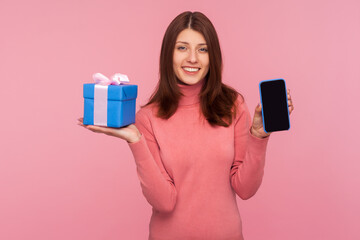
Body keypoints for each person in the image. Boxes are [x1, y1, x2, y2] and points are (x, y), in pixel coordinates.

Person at [78, 11, 294, 240]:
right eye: (182, 48)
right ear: (168, 54)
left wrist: (258, 137)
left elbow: (246, 189)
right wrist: (135, 139)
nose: (193, 58)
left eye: (203, 49)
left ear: (213, 57)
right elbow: (164, 202)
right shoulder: (148, 117)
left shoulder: (233, 105)